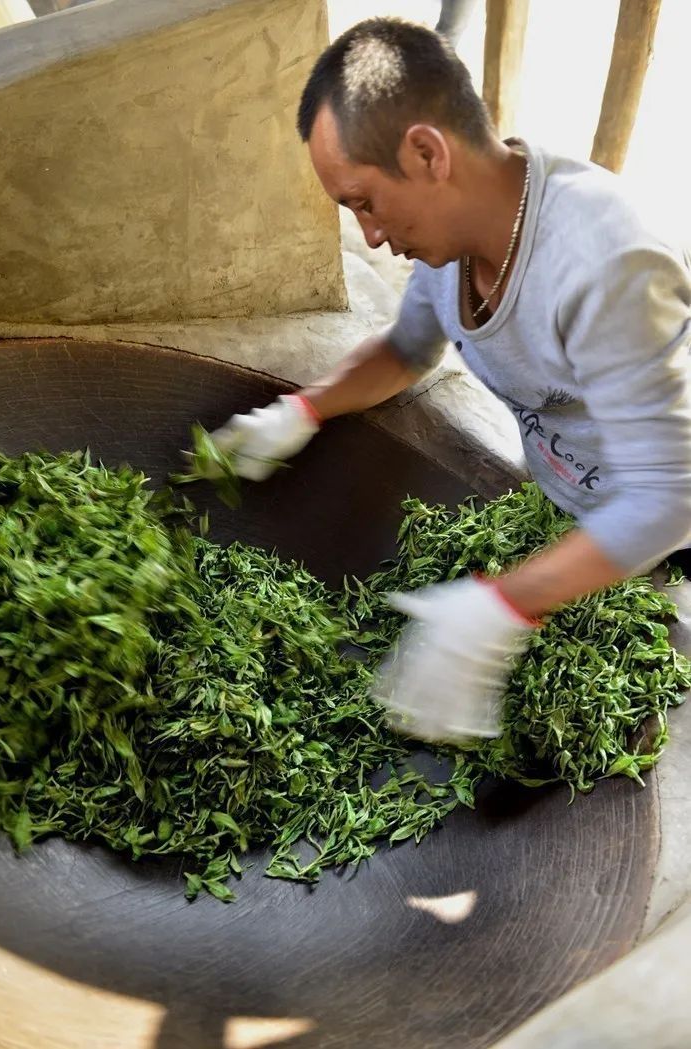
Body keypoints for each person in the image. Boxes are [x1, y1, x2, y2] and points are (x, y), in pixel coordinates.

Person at [205, 18, 691, 743]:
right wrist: (302, 410)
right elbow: (406, 350)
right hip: (576, 508)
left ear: (427, 153)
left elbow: (668, 496)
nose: (370, 236)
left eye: (364, 202)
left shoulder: (604, 264)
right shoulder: (450, 250)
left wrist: (501, 606)